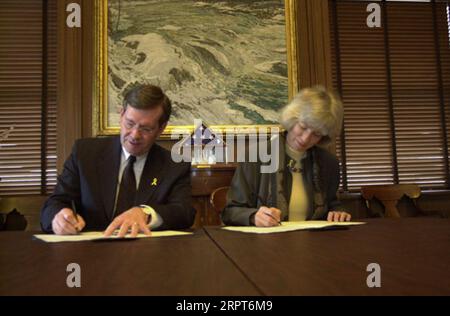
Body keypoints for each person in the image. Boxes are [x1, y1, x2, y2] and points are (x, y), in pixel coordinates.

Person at [41, 84, 195, 236]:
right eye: (130, 123)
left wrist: (145, 213)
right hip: (90, 252)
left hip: (148, 253)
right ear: (121, 115)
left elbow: (184, 212)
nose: (135, 135)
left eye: (146, 129)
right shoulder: (85, 154)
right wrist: (59, 217)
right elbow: (56, 202)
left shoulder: (174, 165)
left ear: (161, 128)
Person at [222, 86, 351, 227]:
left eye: (317, 134)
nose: (306, 138)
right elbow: (230, 212)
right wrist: (253, 217)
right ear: (292, 118)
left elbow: (332, 204)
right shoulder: (255, 156)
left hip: (316, 243)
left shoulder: (328, 163)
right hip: (267, 245)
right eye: (303, 126)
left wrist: (338, 213)